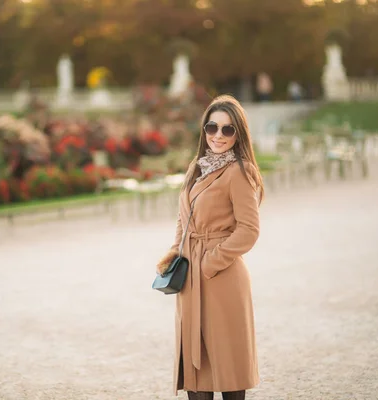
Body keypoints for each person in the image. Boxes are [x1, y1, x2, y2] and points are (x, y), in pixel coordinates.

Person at [156, 95, 264, 400]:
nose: (218, 135)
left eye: (227, 130)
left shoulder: (239, 172)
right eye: (212, 127)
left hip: (222, 279)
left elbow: (249, 230)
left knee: (229, 368)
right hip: (191, 277)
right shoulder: (197, 168)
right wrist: (176, 252)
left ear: (238, 134)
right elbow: (183, 217)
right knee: (196, 370)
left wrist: (211, 262)